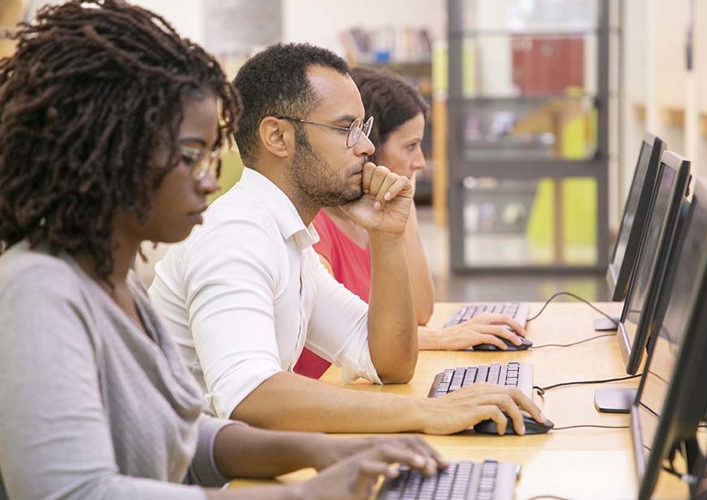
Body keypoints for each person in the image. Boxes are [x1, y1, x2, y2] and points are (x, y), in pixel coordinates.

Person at [0, 2, 447, 498]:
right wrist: (301, 491)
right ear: (112, 154)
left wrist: (317, 450)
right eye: (191, 156)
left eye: (210, 156)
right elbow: (73, 493)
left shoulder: (116, 280)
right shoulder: (38, 290)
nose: (209, 179)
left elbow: (183, 436)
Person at [148, 42, 545, 435]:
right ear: (278, 137)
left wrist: (386, 236)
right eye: (346, 129)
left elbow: (388, 361)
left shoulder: (290, 239)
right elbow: (249, 397)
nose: (367, 147)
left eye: (364, 129)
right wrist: (426, 412)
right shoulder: (236, 235)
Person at [294, 66, 529, 379]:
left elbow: (419, 312)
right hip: (333, 397)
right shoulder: (317, 233)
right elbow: (350, 341)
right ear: (370, 150)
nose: (420, 161)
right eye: (409, 146)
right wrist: (446, 337)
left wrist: (406, 209)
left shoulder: (368, 224)